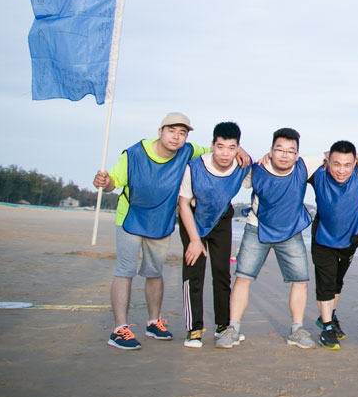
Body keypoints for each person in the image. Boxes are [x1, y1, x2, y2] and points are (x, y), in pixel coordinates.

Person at [93, 112, 248, 350]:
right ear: (160, 131)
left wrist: (240, 150)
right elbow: (114, 180)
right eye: (171, 131)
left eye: (182, 133)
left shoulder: (187, 151)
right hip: (131, 217)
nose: (176, 137)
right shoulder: (134, 154)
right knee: (125, 271)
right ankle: (119, 329)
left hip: (161, 220)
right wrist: (106, 183)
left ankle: (154, 322)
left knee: (154, 272)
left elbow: (220, 148)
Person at [216, 128, 321, 350]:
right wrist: (240, 150)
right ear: (271, 151)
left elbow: (333, 155)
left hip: (291, 231)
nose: (285, 155)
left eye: (290, 151)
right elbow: (229, 161)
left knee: (300, 280)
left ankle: (297, 330)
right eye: (279, 150)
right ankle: (233, 328)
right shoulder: (256, 169)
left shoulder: (304, 165)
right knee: (243, 277)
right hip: (257, 228)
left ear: (297, 154)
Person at [177, 121, 249, 348]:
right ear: (212, 145)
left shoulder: (242, 166)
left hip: (221, 219)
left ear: (238, 147)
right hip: (193, 219)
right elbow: (183, 203)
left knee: (221, 272)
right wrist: (194, 240)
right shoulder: (194, 167)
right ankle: (194, 329)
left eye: (231, 147)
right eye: (220, 147)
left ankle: (222, 326)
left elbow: (264, 173)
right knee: (193, 272)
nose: (225, 153)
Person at [307, 140, 358, 350]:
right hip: (323, 237)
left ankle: (330, 317)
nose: (341, 170)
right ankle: (327, 328)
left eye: (347, 165)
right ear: (328, 162)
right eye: (336, 164)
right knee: (326, 282)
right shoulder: (318, 174)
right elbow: (292, 162)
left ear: (355, 163)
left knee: (338, 281)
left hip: (350, 240)